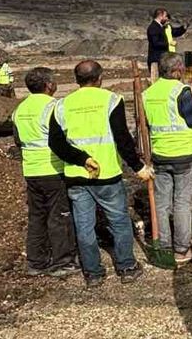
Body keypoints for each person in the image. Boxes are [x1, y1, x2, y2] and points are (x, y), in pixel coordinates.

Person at [47, 60, 153, 288]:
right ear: (100, 77)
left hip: (77, 176)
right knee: (119, 221)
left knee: (84, 226)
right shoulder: (111, 100)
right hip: (107, 175)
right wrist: (138, 167)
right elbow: (122, 138)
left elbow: (55, 143)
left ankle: (93, 273)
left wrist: (82, 160)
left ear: (76, 80)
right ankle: (126, 267)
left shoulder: (61, 106)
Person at [140, 52, 192, 265]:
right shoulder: (181, 91)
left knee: (161, 203)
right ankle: (182, 250)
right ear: (177, 69)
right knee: (181, 202)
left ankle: (164, 246)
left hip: (160, 154)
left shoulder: (148, 93)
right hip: (183, 154)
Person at [12, 67, 79, 277]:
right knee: (59, 215)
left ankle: (36, 261)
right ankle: (63, 262)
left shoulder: (19, 109)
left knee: (37, 216)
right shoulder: (54, 107)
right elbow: (65, 137)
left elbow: (18, 141)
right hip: (52, 168)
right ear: (49, 85)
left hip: (31, 170)